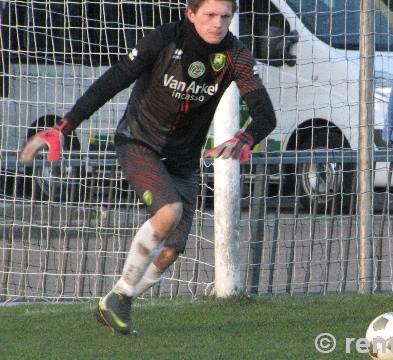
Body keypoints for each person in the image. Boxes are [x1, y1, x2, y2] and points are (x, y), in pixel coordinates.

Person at [18, 0, 276, 335]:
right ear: (191, 13)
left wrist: (246, 137)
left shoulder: (235, 54)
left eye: (225, 16)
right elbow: (112, 81)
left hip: (183, 161)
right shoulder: (164, 39)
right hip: (139, 142)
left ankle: (116, 300)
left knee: (171, 250)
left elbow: (264, 113)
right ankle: (120, 296)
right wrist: (64, 127)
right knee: (168, 211)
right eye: (209, 15)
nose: (218, 23)